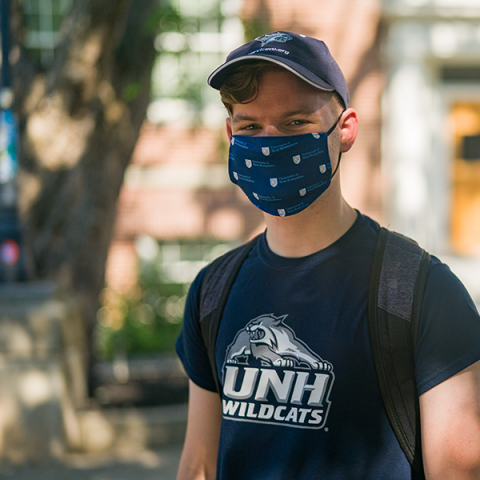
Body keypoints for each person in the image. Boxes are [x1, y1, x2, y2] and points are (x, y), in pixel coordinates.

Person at [175, 31, 480, 479]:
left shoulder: (422, 292)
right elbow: (199, 467)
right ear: (229, 133)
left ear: (346, 129)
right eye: (250, 127)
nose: (270, 141)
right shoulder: (212, 291)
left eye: (296, 122)